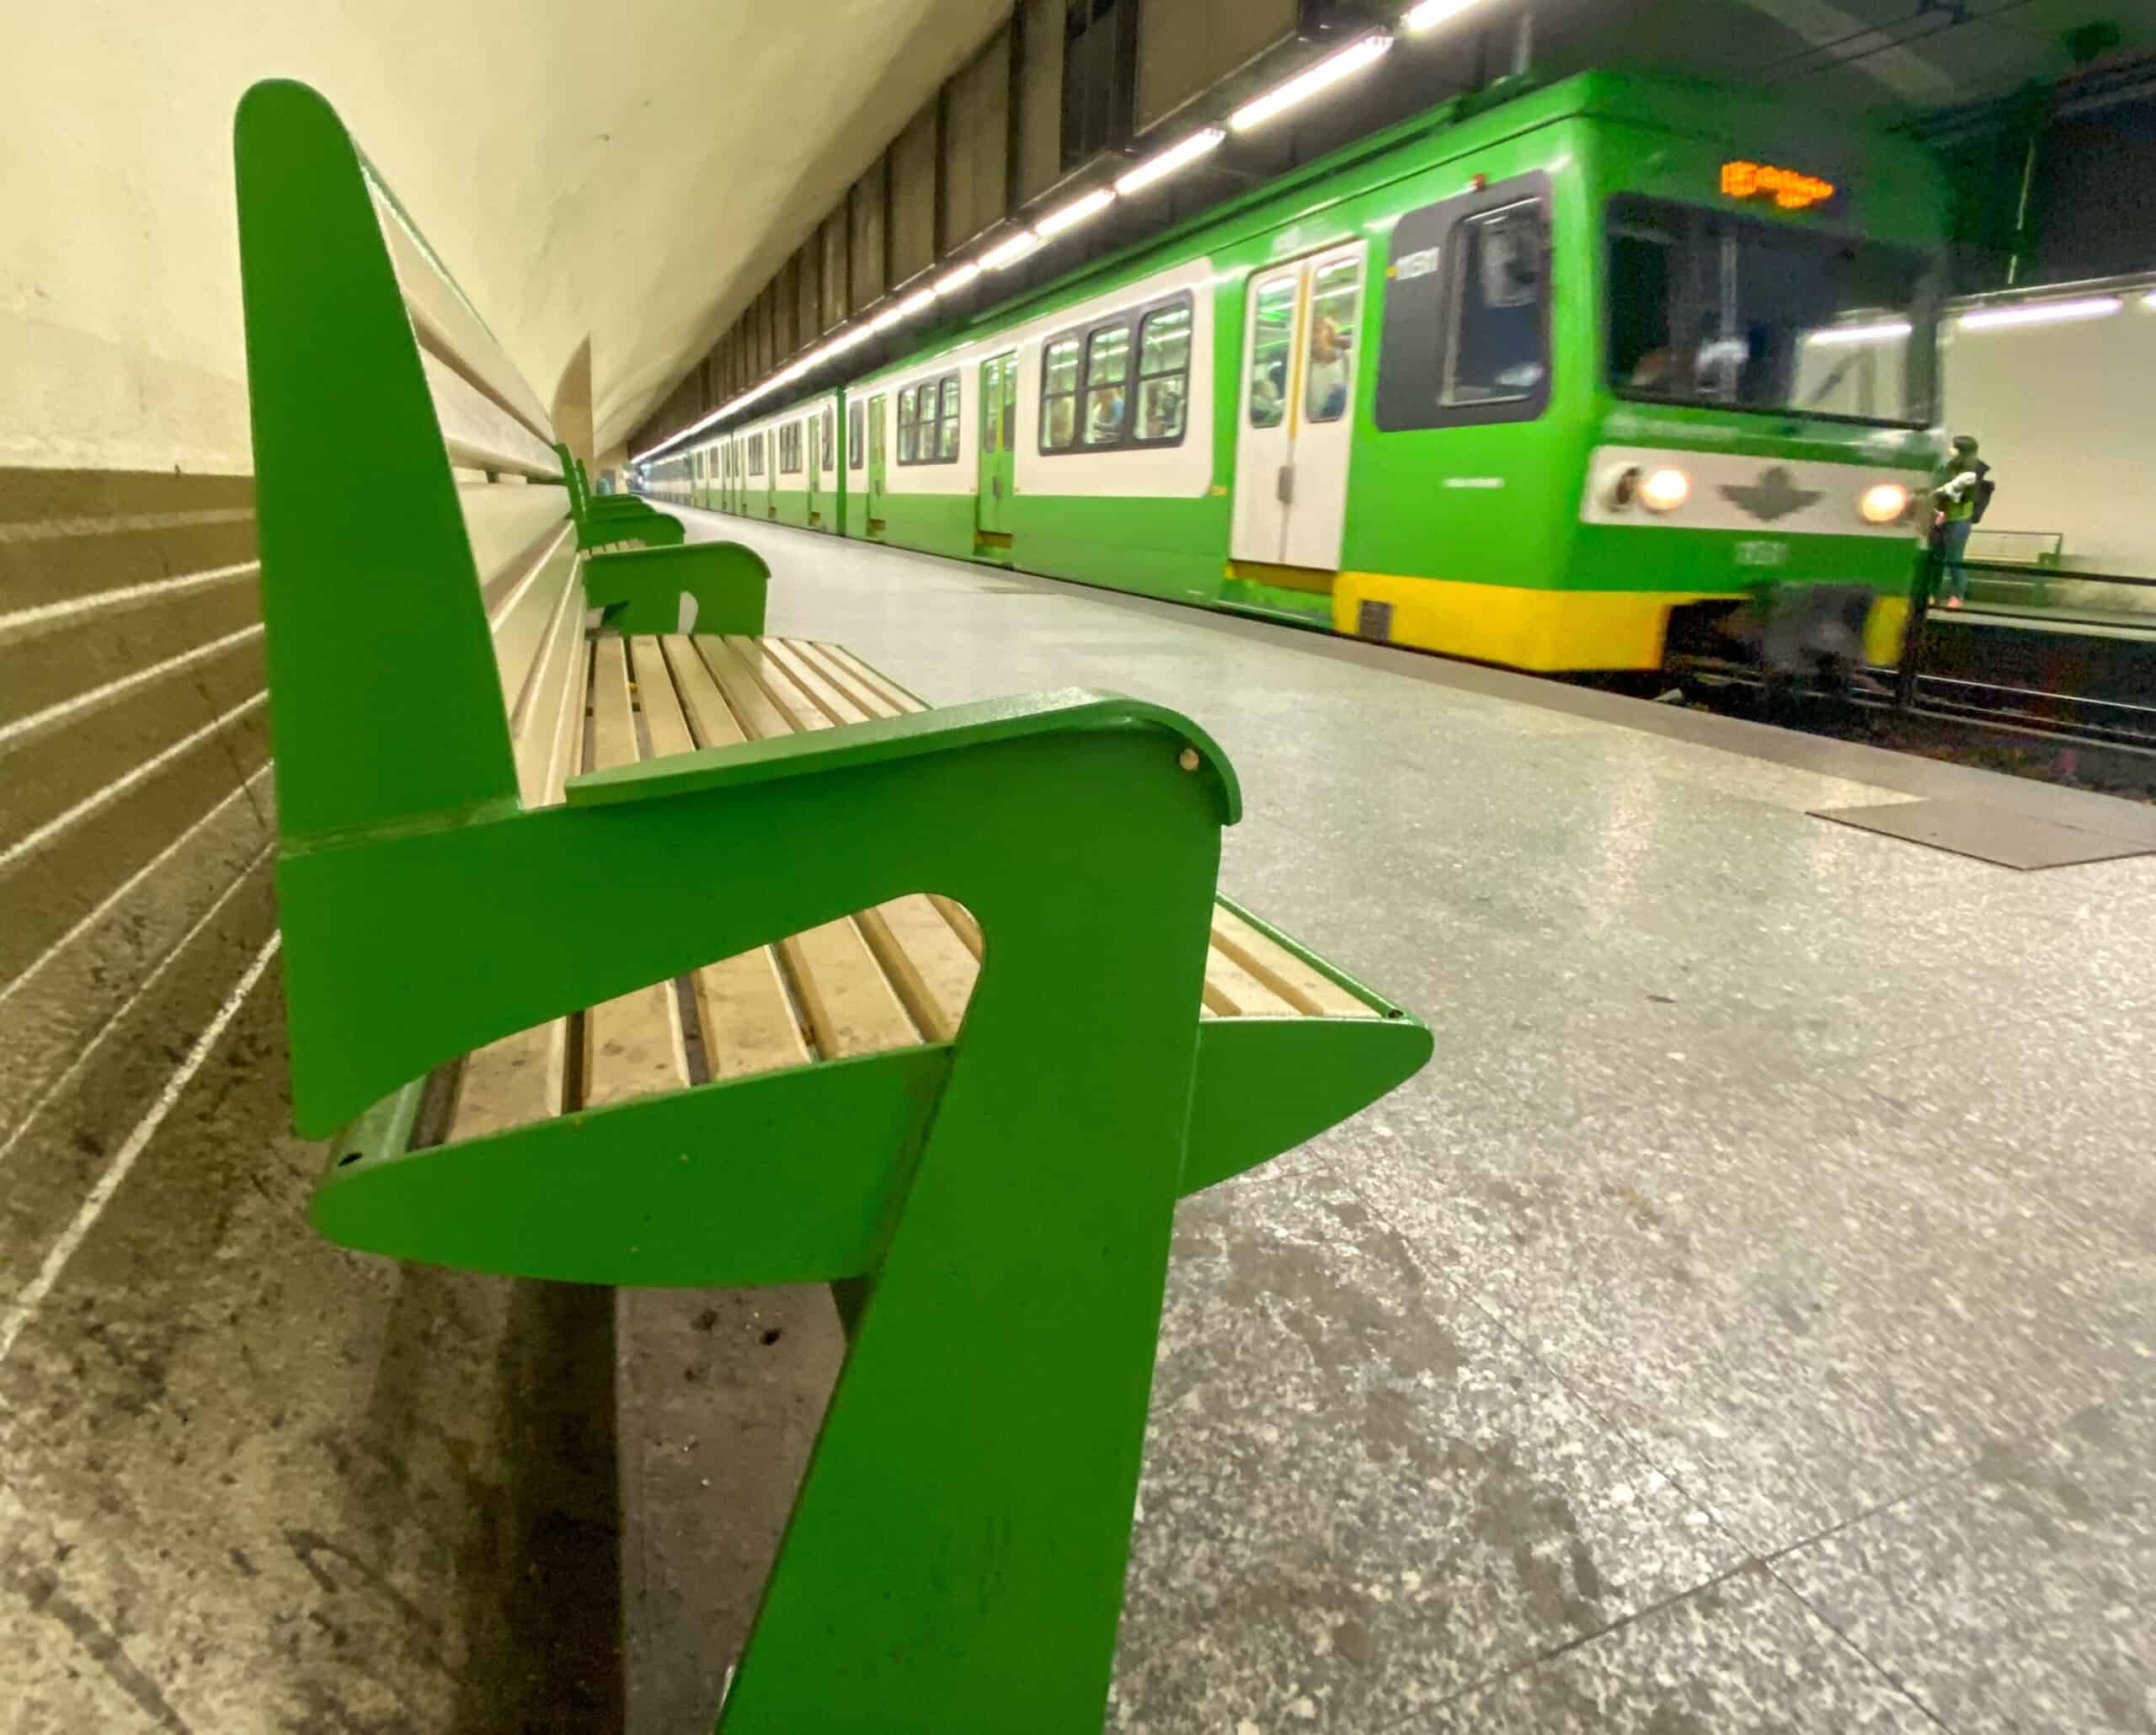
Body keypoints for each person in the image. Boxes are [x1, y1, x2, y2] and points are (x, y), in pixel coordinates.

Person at [1930, 434, 1993, 608]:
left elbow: (1963, 498)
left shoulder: (1973, 472)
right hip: (1942, 517)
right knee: (1936, 558)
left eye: (1953, 446)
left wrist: (1945, 508)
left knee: (1954, 559)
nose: (1950, 449)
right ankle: (1932, 594)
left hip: (1959, 520)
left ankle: (1957, 596)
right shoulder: (1949, 467)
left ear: (1961, 450)